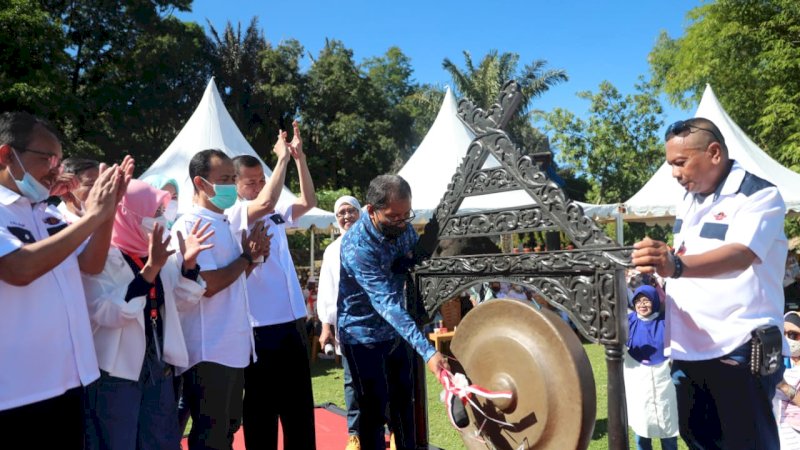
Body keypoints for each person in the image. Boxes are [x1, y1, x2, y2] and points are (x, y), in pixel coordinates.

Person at [632, 117, 788, 449]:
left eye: (680, 163)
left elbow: (741, 254)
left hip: (738, 348)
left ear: (714, 152)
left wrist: (675, 265)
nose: (674, 173)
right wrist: (661, 273)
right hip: (688, 351)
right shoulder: (690, 201)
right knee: (699, 441)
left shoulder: (758, 195)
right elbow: (687, 258)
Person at [0, 111, 132, 449]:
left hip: (71, 379)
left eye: (59, 162)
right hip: (18, 392)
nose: (55, 171)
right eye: (47, 159)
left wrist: (108, 211)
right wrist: (94, 216)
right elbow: (19, 269)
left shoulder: (47, 212)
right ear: (6, 155)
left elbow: (92, 262)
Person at [82, 179, 214, 450]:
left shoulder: (157, 254)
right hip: (116, 371)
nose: (161, 219)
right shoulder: (102, 257)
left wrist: (188, 267)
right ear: (128, 213)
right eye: (154, 212)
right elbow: (109, 314)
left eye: (161, 212)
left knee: (161, 441)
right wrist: (150, 270)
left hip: (158, 366)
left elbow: (178, 304)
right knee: (118, 441)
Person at [338, 174, 448, 450]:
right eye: (393, 216)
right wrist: (429, 350)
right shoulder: (356, 245)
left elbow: (413, 259)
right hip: (362, 335)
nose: (402, 223)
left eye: (405, 215)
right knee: (373, 413)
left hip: (396, 333)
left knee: (403, 407)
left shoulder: (403, 229)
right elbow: (386, 302)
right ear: (372, 211)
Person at [171, 149, 270, 450]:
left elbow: (232, 280)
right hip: (208, 347)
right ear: (200, 183)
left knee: (227, 428)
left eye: (233, 178)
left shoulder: (224, 222)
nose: (232, 185)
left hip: (232, 346)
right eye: (225, 179)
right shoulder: (191, 225)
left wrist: (252, 259)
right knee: (210, 433)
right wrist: (246, 258)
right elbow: (208, 284)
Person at [229, 121, 318, 450]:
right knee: (260, 413)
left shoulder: (276, 209)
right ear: (236, 185)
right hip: (258, 329)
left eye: (261, 180)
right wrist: (280, 159)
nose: (258, 187)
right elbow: (263, 204)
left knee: (298, 413)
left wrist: (298, 159)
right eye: (250, 182)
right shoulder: (236, 213)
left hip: (292, 322)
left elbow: (309, 201)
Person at [317, 195, 363, 450]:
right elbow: (326, 291)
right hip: (348, 324)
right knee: (351, 379)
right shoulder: (332, 251)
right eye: (341, 213)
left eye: (351, 211)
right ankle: (355, 433)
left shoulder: (375, 242)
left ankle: (389, 429)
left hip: (378, 323)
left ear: (360, 213)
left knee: (383, 378)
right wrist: (326, 326)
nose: (346, 216)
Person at [623, 285, 679, 450]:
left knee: (668, 432)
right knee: (642, 431)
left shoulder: (666, 322)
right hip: (639, 385)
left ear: (654, 301)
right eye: (638, 301)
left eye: (646, 300)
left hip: (664, 385)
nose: (642, 305)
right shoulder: (627, 322)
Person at [775, 311, 800, 448]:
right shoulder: (780, 362)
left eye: (793, 335)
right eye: (783, 333)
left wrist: (783, 386)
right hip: (776, 434)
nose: (787, 339)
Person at [57, 156, 100, 223]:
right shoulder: (51, 225)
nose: (101, 189)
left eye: (102, 183)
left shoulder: (108, 220)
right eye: (91, 185)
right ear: (66, 192)